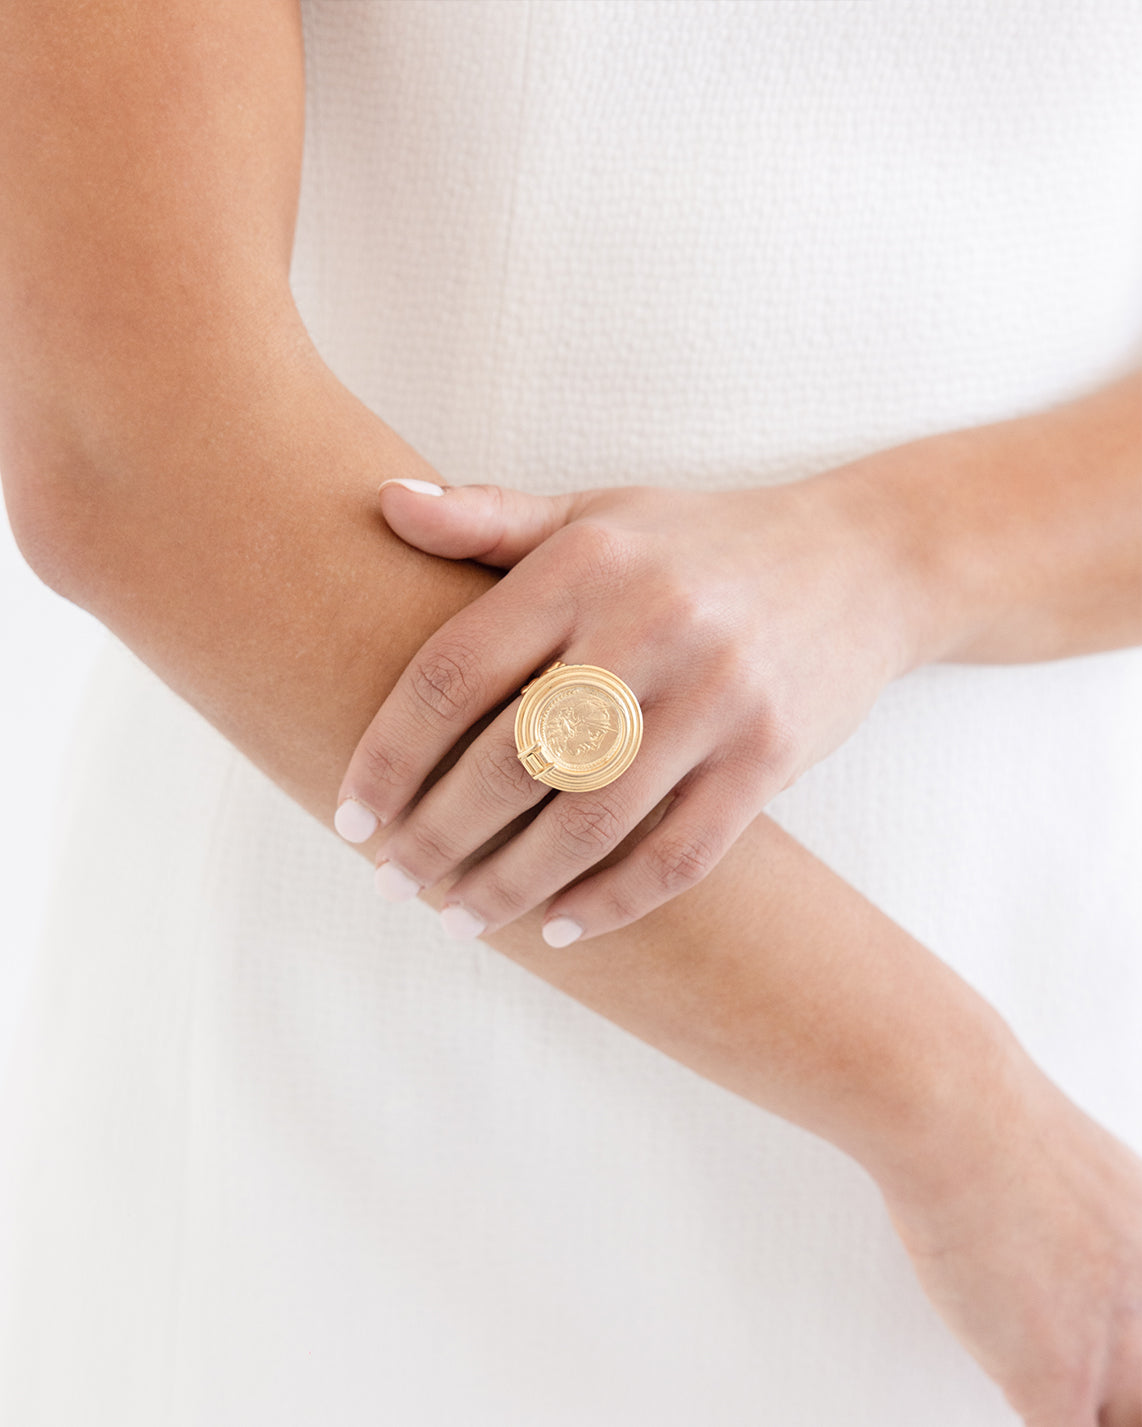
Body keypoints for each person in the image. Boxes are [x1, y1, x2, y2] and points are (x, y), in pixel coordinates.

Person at [0, 2, 1139, 1423]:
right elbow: (137, 449)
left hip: (1062, 980)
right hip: (378, 1052)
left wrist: (891, 554)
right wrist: (962, 1121)